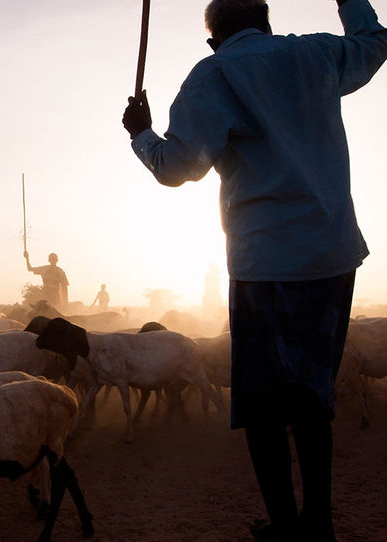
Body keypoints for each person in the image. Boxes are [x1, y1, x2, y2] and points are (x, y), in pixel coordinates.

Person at [121, 1, 387, 540]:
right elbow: (375, 41)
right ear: (265, 21)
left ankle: (287, 527)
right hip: (332, 257)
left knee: (264, 406)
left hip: (266, 266)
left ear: (214, 39)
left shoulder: (214, 74)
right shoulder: (314, 52)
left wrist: (141, 134)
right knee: (314, 399)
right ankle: (320, 525)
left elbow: (178, 168)